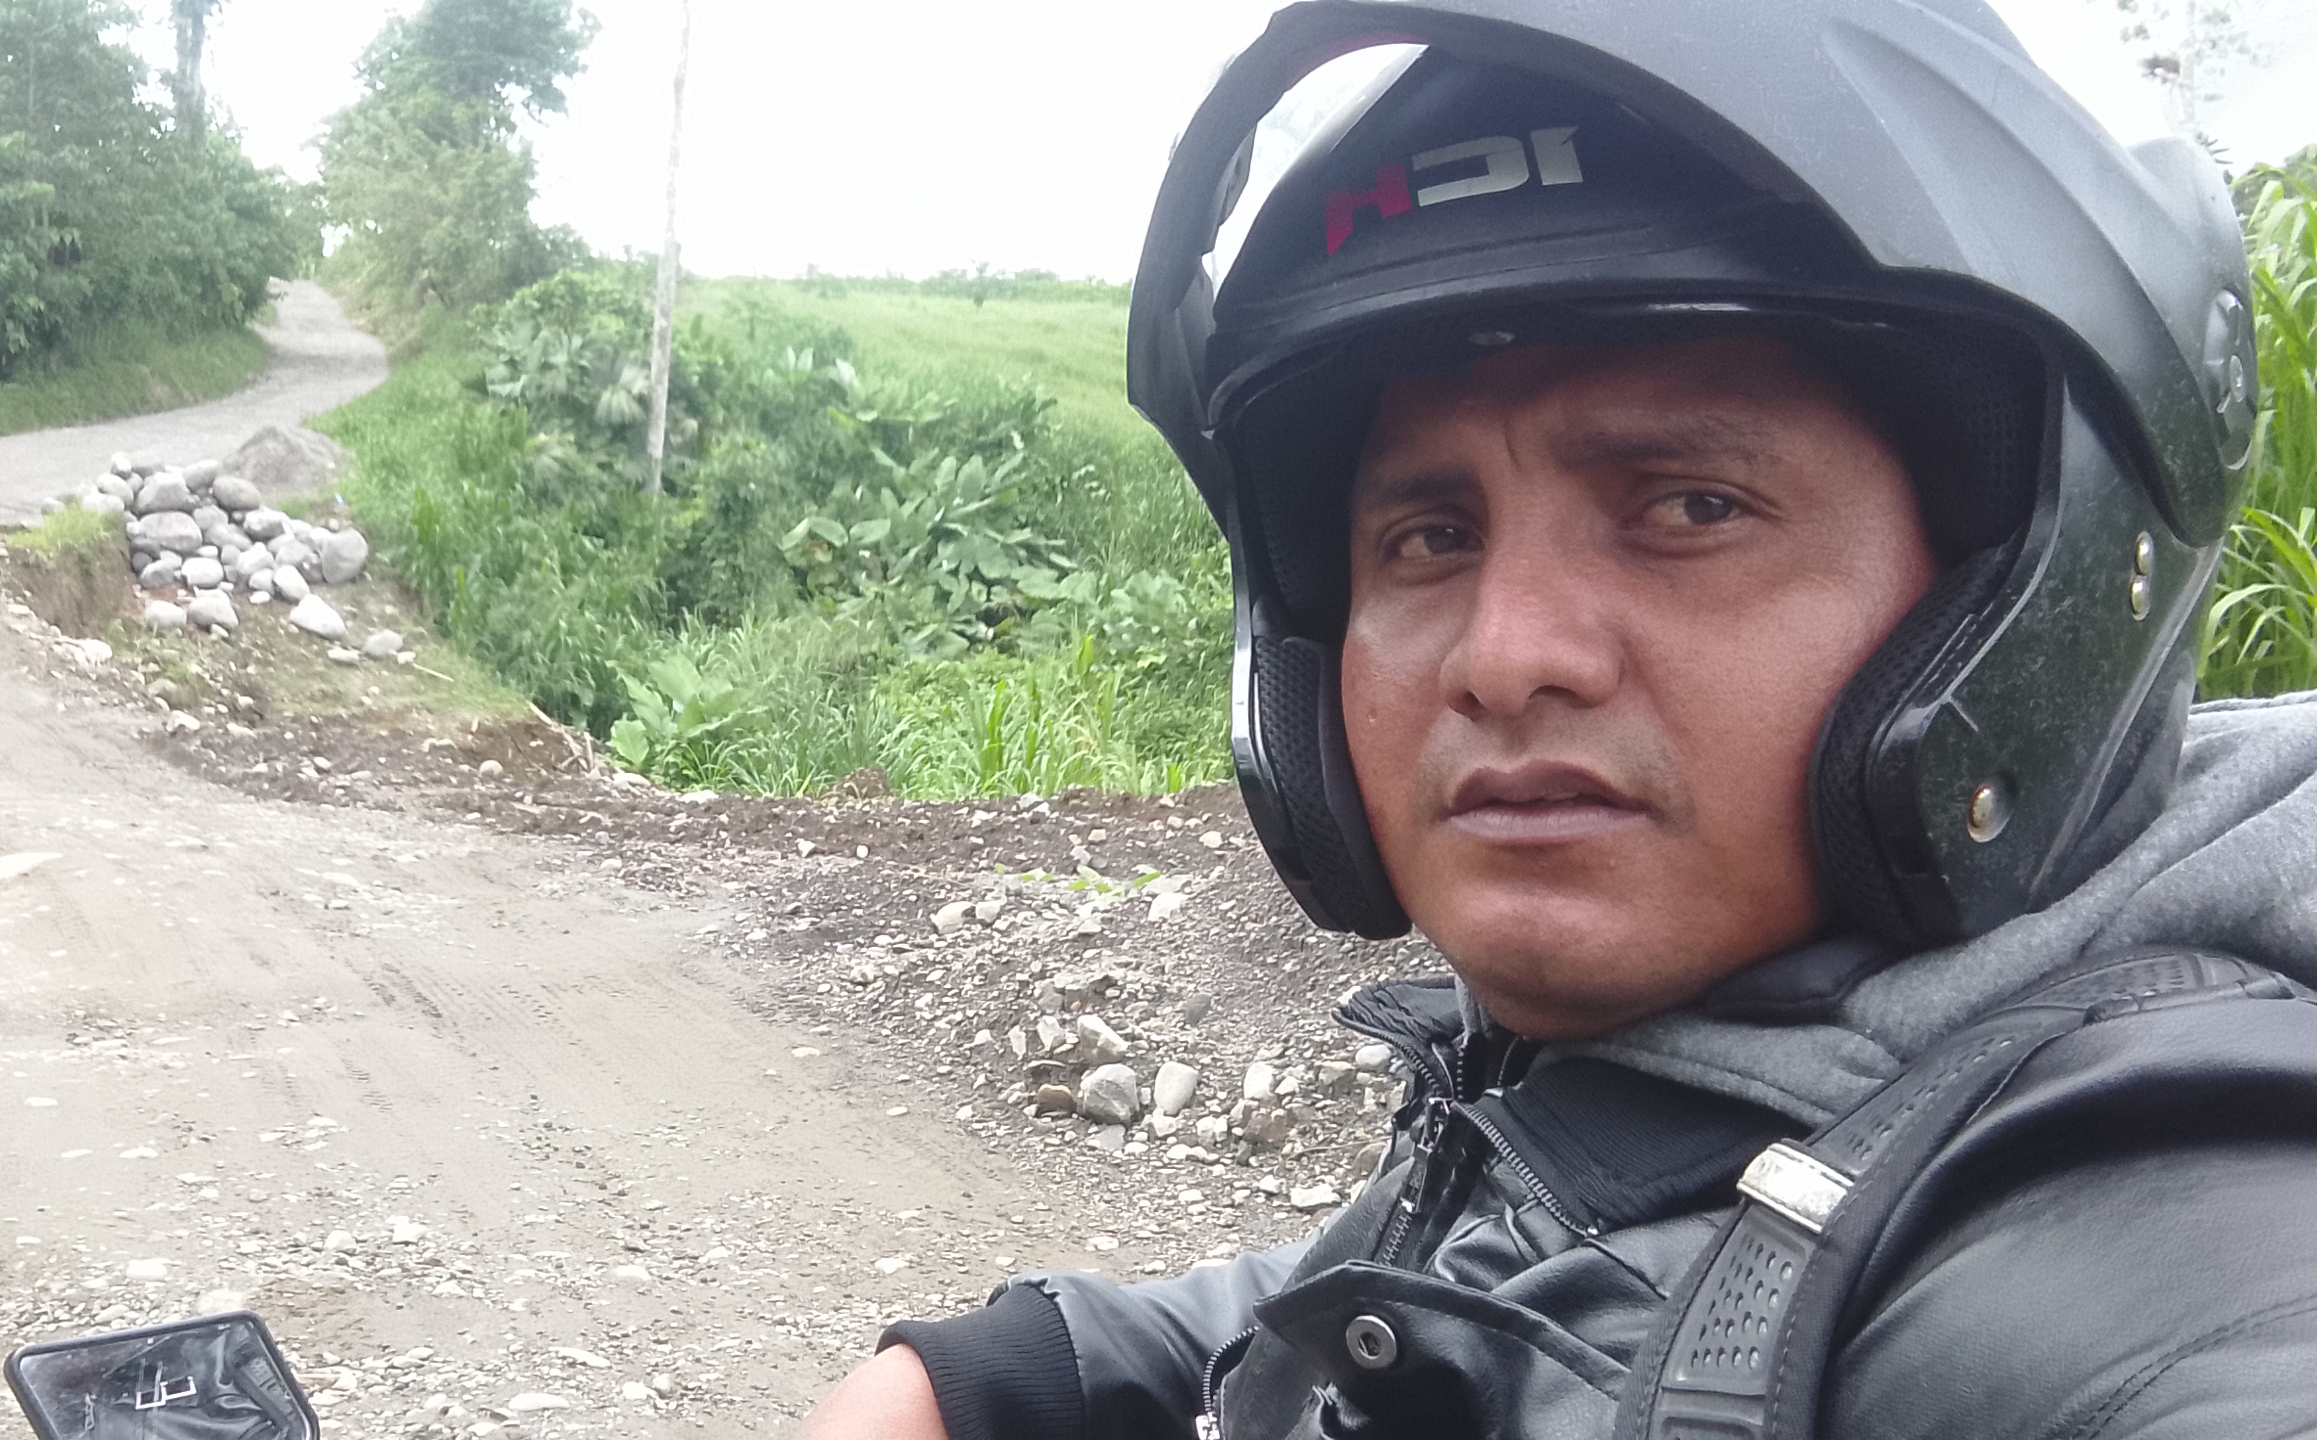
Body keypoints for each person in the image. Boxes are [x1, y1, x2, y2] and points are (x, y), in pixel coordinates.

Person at [801, 1, 2311, 1436]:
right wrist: (1022, 1379)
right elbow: (1528, 1285)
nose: (1505, 656)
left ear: (2031, 590)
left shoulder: (2177, 1225)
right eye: (1430, 536)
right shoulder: (1733, 1059)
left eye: (1691, 506)